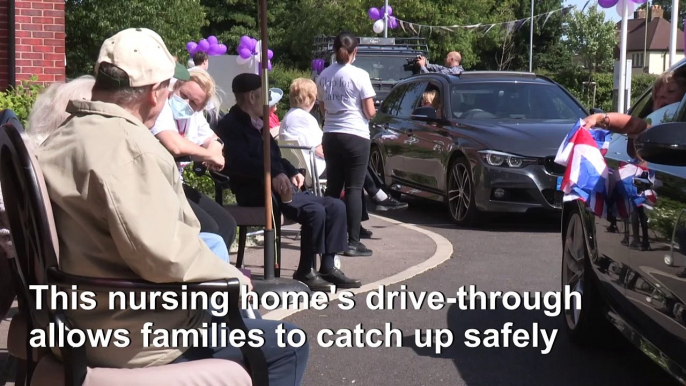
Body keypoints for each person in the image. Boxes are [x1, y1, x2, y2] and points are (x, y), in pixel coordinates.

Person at [35, 28, 308, 384]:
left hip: (76, 320)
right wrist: (230, 278)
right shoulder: (131, 150)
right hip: (132, 337)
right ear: (154, 93)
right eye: (168, 89)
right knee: (289, 343)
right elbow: (163, 256)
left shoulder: (60, 138)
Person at [216, 72, 361, 291]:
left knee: (336, 205)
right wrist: (273, 174)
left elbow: (276, 157)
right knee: (315, 211)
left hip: (280, 186)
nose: (269, 101)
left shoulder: (260, 123)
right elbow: (238, 163)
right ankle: (305, 270)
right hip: (256, 189)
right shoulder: (230, 125)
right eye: (264, 95)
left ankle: (328, 267)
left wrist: (292, 170)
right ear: (253, 97)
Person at [280, 78, 407, 236]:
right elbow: (321, 148)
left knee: (355, 166)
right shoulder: (304, 118)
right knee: (354, 166)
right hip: (314, 168)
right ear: (310, 97)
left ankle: (370, 205)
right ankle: (375, 197)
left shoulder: (289, 117)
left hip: (304, 167)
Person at [151, 67, 238, 252]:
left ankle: (217, 271)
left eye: (193, 102)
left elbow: (214, 139)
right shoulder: (162, 106)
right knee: (209, 229)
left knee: (227, 224)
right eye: (183, 95)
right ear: (177, 87)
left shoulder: (194, 115)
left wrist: (215, 151)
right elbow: (174, 145)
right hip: (157, 183)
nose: (185, 102)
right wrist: (210, 155)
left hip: (176, 183)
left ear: (200, 107)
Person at [316, 31, 376, 257]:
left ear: (333, 49)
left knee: (333, 186)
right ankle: (352, 242)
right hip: (355, 135)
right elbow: (369, 112)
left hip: (331, 134)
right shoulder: (360, 75)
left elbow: (322, 108)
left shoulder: (323, 75)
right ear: (355, 52)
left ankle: (329, 236)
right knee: (353, 188)